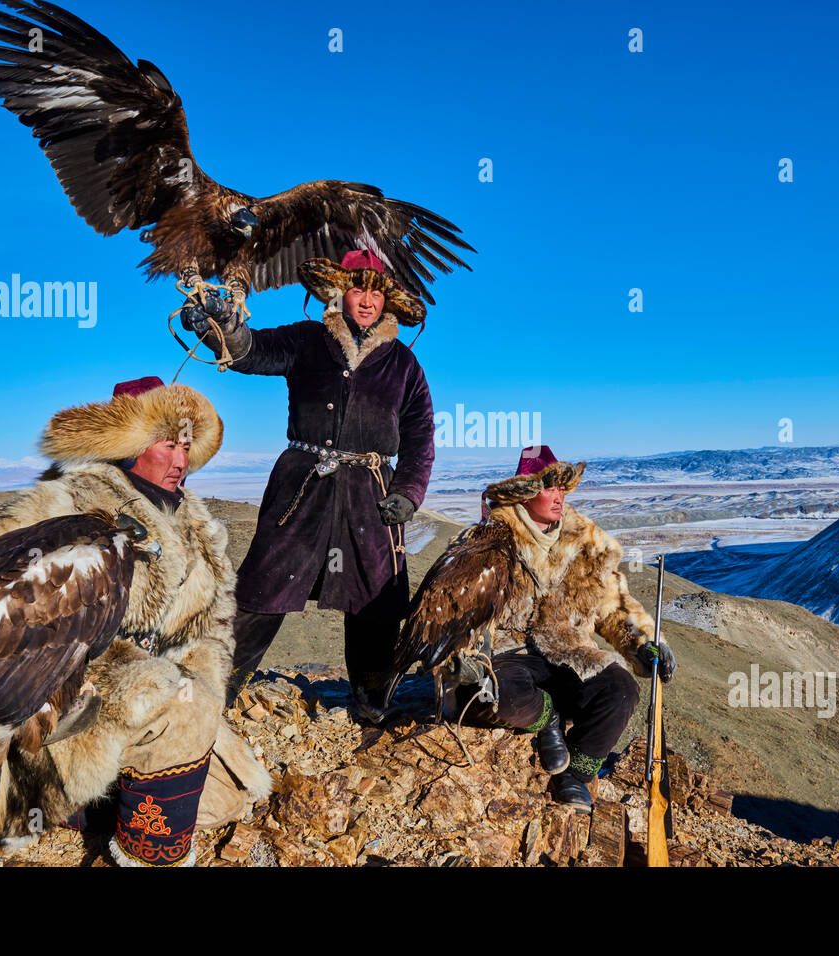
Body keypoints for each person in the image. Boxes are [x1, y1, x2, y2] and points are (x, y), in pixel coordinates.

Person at [0, 376, 270, 865]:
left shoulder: (193, 521)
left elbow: (211, 628)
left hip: (161, 696)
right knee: (173, 746)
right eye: (167, 444)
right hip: (74, 708)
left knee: (225, 798)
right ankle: (135, 847)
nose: (180, 461)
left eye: (187, 446)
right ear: (128, 447)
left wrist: (204, 687)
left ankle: (113, 796)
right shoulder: (70, 503)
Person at [184, 251, 435, 717]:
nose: (366, 301)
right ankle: (217, 689)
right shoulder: (308, 339)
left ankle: (372, 701)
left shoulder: (404, 364)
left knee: (375, 601)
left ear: (387, 302)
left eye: (376, 292)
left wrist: (407, 492)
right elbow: (249, 351)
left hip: (371, 493)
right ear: (339, 291)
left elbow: (420, 436)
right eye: (358, 289)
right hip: (303, 486)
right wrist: (215, 326)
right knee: (263, 589)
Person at [453, 446, 676, 812]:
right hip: (504, 655)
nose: (559, 497)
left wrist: (645, 645)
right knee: (490, 695)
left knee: (621, 691)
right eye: (549, 488)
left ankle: (574, 772)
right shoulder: (486, 541)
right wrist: (462, 658)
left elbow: (613, 607)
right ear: (524, 493)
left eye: (563, 489)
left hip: (567, 654)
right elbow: (456, 611)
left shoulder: (588, 546)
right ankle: (548, 717)